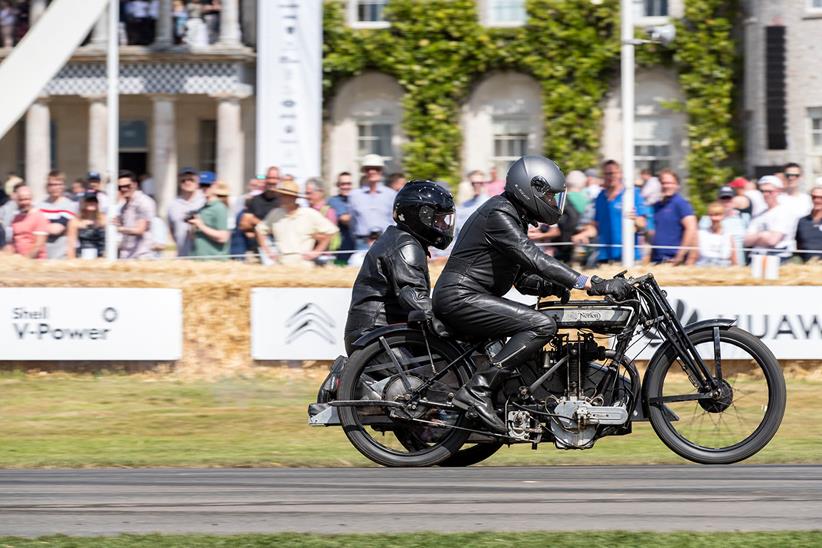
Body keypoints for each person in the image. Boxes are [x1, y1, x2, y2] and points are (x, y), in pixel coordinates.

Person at [433, 155, 632, 434]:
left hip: (471, 295)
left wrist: (550, 286)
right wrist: (587, 282)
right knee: (541, 325)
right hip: (461, 297)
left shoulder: (512, 215)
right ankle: (478, 390)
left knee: (539, 324)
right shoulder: (499, 214)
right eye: (550, 196)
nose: (553, 203)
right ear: (531, 188)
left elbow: (521, 276)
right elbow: (535, 258)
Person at [345, 180, 455, 354]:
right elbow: (412, 294)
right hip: (376, 336)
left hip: (377, 333)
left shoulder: (400, 238)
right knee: (431, 374)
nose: (443, 226)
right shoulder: (406, 246)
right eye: (438, 220)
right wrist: (452, 321)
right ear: (421, 216)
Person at [571, 159, 647, 264]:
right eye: (606, 174)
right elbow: (597, 226)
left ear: (620, 174)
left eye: (612, 173)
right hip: (604, 258)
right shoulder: (600, 197)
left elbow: (643, 225)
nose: (609, 177)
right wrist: (584, 234)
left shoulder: (632, 194)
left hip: (628, 257)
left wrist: (635, 219)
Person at [255, 178, 339, 267]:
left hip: (303, 266)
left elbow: (331, 231)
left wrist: (316, 252)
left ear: (294, 197)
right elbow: (260, 230)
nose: (281, 198)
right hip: (281, 266)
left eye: (285, 195)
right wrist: (267, 251)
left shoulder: (309, 213)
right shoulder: (275, 213)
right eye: (281, 195)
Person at [650, 169, 697, 264]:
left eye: (670, 183)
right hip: (657, 261)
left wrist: (679, 256)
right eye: (663, 183)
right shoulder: (656, 206)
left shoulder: (681, 204)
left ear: (677, 185)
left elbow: (691, 229)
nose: (666, 186)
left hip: (673, 261)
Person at [349, 154, 396, 248]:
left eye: (376, 168)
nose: (372, 171)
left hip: (386, 241)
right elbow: (353, 222)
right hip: (362, 242)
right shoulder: (354, 195)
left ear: (381, 171)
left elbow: (395, 220)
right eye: (368, 169)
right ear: (364, 172)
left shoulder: (391, 194)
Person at [743, 176, 795, 261]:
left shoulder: (784, 212)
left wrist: (756, 237)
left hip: (777, 257)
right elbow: (746, 241)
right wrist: (762, 235)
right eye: (763, 191)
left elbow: (772, 240)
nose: (765, 194)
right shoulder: (759, 214)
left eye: (769, 191)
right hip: (757, 257)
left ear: (778, 191)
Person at [699, 185, 748, 265]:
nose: (726, 202)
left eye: (729, 199)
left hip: (738, 266)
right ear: (718, 200)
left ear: (733, 200)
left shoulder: (743, 219)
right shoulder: (706, 220)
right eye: (723, 198)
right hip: (713, 263)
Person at [114, 170, 156, 259]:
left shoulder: (143, 202)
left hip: (142, 255)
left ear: (135, 185)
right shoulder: (123, 206)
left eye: (127, 186)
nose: (123, 189)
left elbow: (140, 230)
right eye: (120, 187)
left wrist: (119, 228)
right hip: (126, 256)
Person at [240, 165, 281, 255]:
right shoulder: (253, 200)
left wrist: (255, 222)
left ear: (279, 180)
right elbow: (244, 224)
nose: (271, 181)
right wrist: (269, 228)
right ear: (265, 179)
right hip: (256, 250)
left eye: (274, 178)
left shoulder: (283, 202)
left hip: (278, 251)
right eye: (269, 178)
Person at [38, 170, 79, 259]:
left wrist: (39, 228)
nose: (55, 187)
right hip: (42, 256)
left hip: (61, 256)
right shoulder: (39, 205)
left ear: (63, 186)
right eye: (52, 184)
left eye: (59, 184)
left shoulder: (69, 205)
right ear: (47, 186)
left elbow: (56, 229)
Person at [167, 168, 206, 256]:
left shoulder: (204, 201)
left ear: (198, 182)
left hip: (202, 255)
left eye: (191, 180)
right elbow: (171, 230)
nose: (187, 183)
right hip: (182, 255)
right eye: (183, 180)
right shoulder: (173, 205)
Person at [188, 180, 230, 259]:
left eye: (207, 186)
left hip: (213, 260)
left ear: (215, 187)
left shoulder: (220, 208)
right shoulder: (201, 209)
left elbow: (223, 237)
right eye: (202, 185)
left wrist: (201, 226)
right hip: (198, 258)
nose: (204, 188)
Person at [7, 185, 48, 259]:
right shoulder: (16, 218)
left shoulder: (39, 217)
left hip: (35, 263)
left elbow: (38, 245)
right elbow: (12, 241)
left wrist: (25, 261)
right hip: (18, 262)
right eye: (21, 200)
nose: (24, 202)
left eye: (26, 199)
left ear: (31, 199)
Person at [305, 177, 340, 264]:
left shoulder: (328, 211)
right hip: (307, 255)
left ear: (320, 192)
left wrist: (309, 234)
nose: (307, 196)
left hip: (323, 256)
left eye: (309, 193)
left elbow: (331, 235)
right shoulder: (306, 210)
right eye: (306, 193)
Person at [66, 191, 106, 259]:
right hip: (83, 257)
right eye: (88, 201)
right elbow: (71, 245)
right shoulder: (75, 222)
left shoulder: (104, 219)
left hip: (101, 258)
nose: (92, 203)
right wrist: (71, 260)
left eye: (94, 201)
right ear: (83, 203)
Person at [696, 202, 737, 267]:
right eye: (712, 215)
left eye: (718, 215)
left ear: (723, 216)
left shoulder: (728, 236)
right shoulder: (701, 234)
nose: (714, 218)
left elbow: (735, 262)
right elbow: (692, 258)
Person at [328, 171, 356, 262]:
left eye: (348, 184)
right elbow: (345, 219)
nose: (346, 187)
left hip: (358, 243)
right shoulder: (334, 200)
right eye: (343, 184)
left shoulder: (357, 198)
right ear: (338, 185)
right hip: (343, 245)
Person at [795, 185, 822, 262]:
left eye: (821, 197)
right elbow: (798, 244)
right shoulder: (802, 221)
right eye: (814, 197)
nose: (817, 200)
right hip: (806, 265)